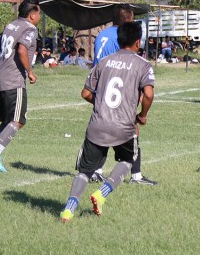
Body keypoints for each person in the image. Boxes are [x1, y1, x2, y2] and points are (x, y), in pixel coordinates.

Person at [60, 21, 155, 223]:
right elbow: (148, 94)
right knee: (127, 160)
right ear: (138, 42)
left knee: (84, 171)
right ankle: (102, 193)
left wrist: (102, 104)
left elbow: (86, 93)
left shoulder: (103, 62)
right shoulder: (143, 65)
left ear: (118, 40)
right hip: (124, 125)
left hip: (98, 124)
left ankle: (68, 210)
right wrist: (143, 115)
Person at [90, 5, 154, 185]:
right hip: (116, 86)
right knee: (130, 128)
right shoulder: (119, 37)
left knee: (101, 126)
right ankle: (136, 176)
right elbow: (123, 62)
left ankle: (95, 170)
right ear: (127, 21)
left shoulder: (102, 34)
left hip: (99, 83)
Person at [0, 0, 41, 172]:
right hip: (14, 80)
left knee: (8, 121)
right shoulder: (30, 29)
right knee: (18, 120)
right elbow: (22, 49)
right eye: (39, 13)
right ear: (32, 15)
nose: (39, 16)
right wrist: (29, 71)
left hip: (0, 77)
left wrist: (8, 59)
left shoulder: (11, 25)